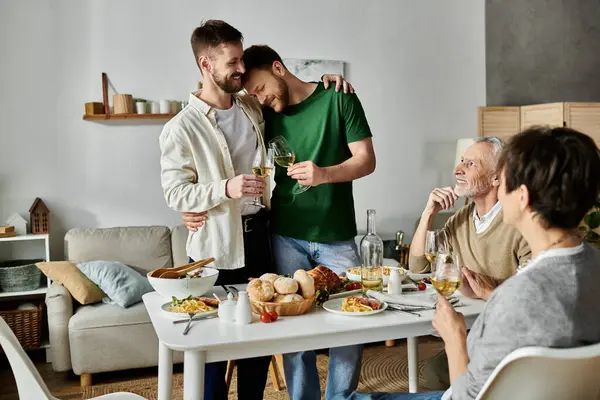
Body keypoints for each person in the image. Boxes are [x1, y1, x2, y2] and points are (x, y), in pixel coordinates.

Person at [159, 20, 350, 400]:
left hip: (261, 237)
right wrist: (223, 189)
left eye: (242, 60)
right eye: (232, 62)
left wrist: (327, 83)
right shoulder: (181, 128)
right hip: (218, 246)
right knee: (214, 345)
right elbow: (176, 192)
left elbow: (288, 94)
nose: (241, 70)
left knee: (259, 343)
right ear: (205, 63)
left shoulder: (251, 106)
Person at [354, 125, 600, 399]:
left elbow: (465, 396)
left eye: (506, 180)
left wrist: (455, 337)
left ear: (522, 196)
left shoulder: (515, 297)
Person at [241, 45, 376, 400]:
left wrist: (325, 174)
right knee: (292, 327)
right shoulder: (266, 114)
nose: (261, 98)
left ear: (278, 68)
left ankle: (339, 397)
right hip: (286, 234)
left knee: (351, 322)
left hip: (336, 235)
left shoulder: (338, 98)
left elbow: (366, 160)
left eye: (260, 88)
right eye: (253, 94)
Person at [409, 136, 531, 390]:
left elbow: (529, 300)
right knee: (434, 372)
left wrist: (489, 291)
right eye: (461, 161)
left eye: (470, 164)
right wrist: (428, 214)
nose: (457, 170)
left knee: (437, 374)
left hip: (512, 338)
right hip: (475, 330)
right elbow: (418, 267)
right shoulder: (459, 220)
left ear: (497, 176)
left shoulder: (520, 224)